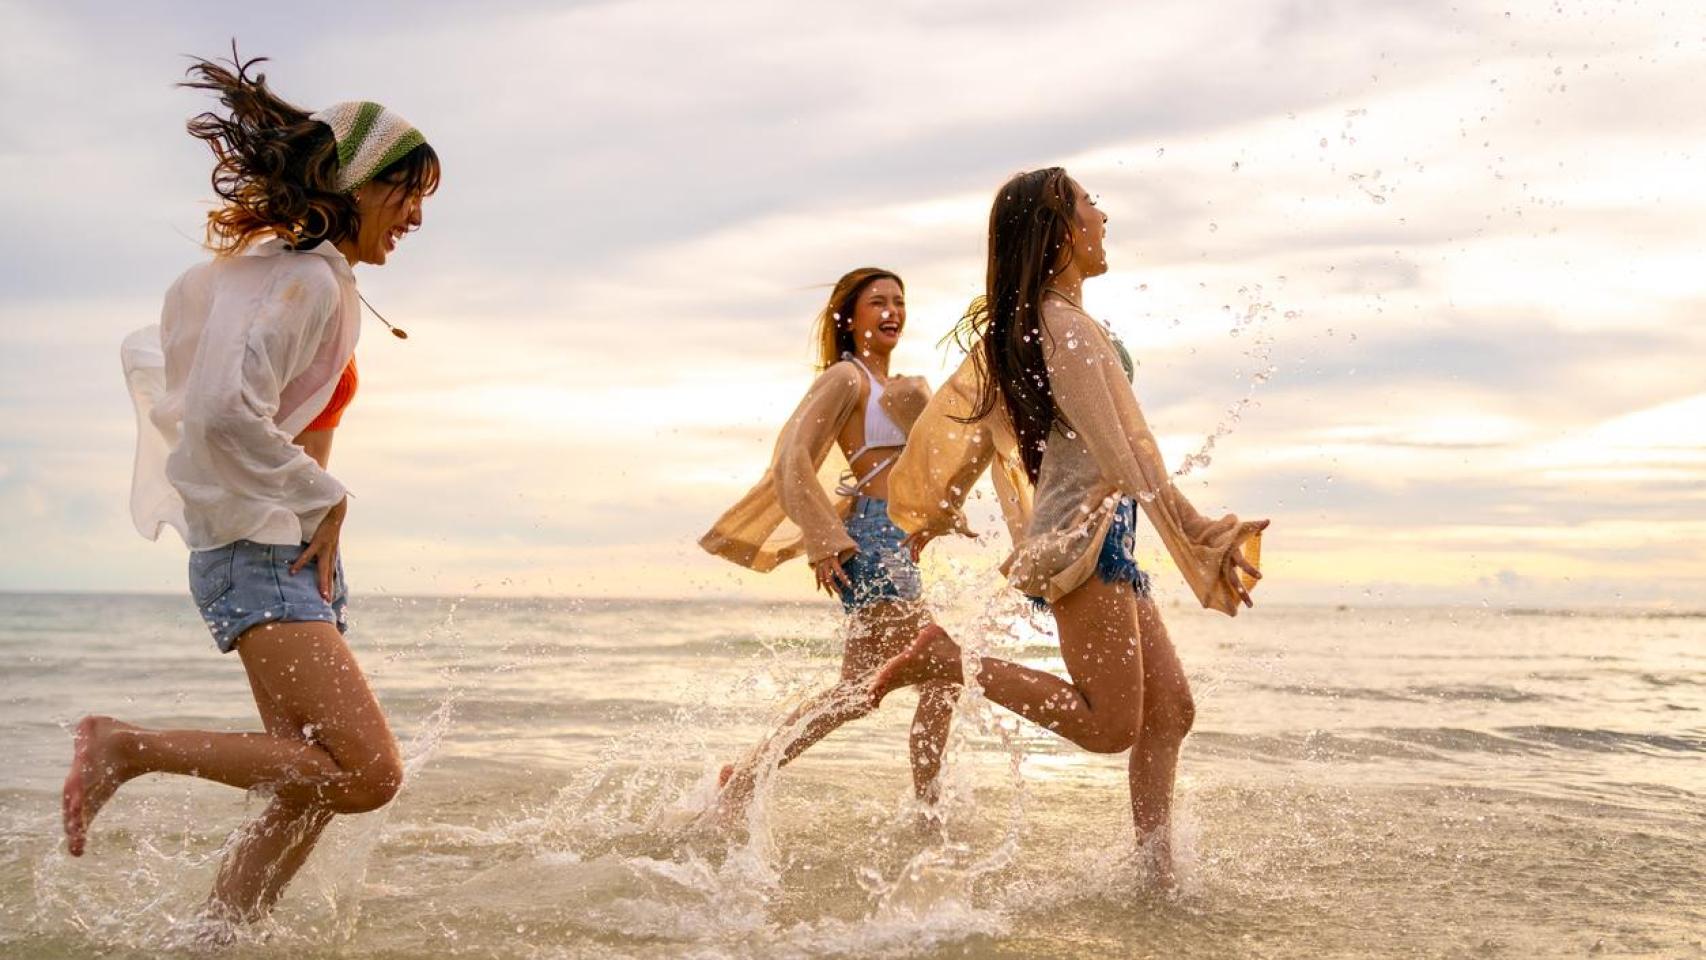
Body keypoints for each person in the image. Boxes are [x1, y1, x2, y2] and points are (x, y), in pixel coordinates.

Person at [62, 51, 440, 925]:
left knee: (304, 780)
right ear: (350, 186)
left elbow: (193, 382)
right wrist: (323, 492)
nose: (417, 216)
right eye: (405, 192)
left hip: (275, 551)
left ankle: (213, 939)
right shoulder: (302, 279)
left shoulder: (274, 275)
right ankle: (127, 747)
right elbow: (218, 409)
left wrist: (303, 506)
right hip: (265, 547)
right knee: (366, 774)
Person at [870, 168, 1266, 883]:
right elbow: (1121, 449)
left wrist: (936, 509)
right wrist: (1196, 528)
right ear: (1058, 230)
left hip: (1103, 529)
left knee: (1170, 710)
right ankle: (945, 660)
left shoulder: (1055, 324)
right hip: (1080, 541)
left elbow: (990, 426)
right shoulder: (1064, 327)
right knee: (1109, 724)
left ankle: (1156, 875)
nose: (1104, 216)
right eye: (1090, 205)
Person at [699, 268, 959, 821]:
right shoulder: (847, 378)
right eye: (878, 304)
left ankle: (746, 776)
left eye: (899, 302)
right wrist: (822, 539)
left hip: (893, 541)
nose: (892, 312)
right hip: (869, 543)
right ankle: (928, 810)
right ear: (850, 317)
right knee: (940, 675)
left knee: (858, 691)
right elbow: (792, 459)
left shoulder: (893, 385)